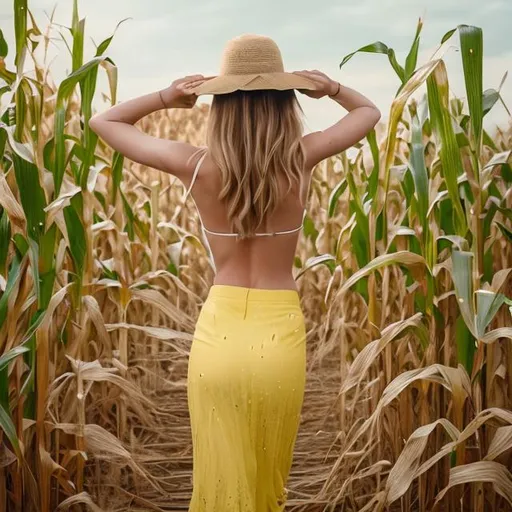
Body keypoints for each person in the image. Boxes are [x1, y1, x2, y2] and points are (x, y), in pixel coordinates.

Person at [90, 33, 380, 512]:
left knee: (220, 480)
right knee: (267, 483)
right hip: (279, 336)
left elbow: (106, 120)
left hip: (218, 336)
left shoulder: (195, 166)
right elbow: (368, 113)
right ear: (286, 100)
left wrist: (170, 96)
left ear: (218, 105)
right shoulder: (300, 158)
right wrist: (329, 89)